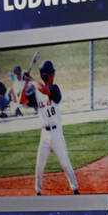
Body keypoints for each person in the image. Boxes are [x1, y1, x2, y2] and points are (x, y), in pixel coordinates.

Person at [31, 60, 80, 195]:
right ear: (48, 75)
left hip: (56, 133)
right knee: (39, 166)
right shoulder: (37, 92)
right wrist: (25, 81)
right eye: (52, 72)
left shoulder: (55, 89)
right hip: (44, 134)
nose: (54, 74)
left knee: (65, 163)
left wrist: (29, 79)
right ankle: (38, 192)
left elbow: (44, 90)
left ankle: (75, 189)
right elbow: (23, 100)